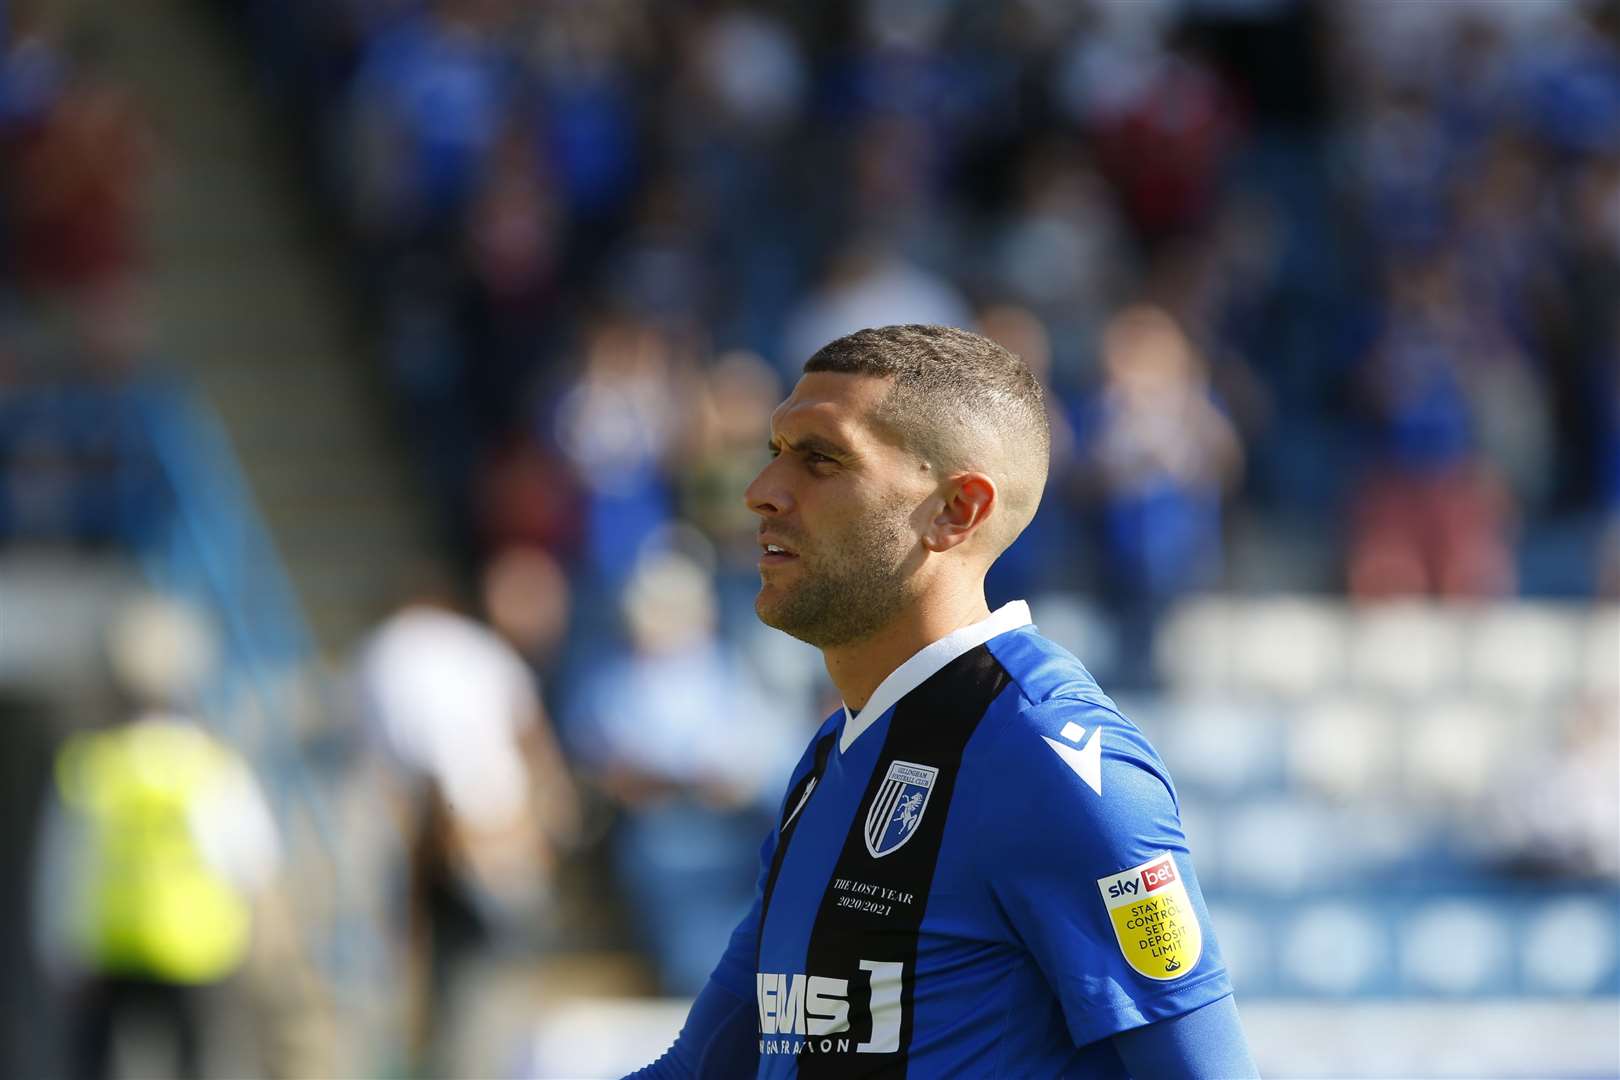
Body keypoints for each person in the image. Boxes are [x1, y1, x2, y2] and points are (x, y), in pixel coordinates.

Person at [628, 325, 1256, 1076]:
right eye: (775, 451)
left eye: (821, 459)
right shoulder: (833, 757)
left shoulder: (1052, 761)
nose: (762, 491)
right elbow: (700, 1068)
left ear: (957, 510)